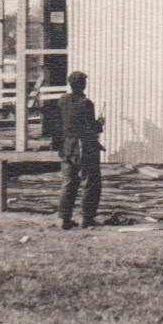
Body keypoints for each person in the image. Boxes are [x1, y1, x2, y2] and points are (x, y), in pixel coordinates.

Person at [56, 70, 103, 230]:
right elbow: (90, 128)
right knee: (91, 181)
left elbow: (58, 124)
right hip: (84, 146)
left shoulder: (62, 100)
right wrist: (100, 124)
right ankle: (87, 218)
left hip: (67, 146)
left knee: (68, 182)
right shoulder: (86, 103)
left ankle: (64, 219)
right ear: (83, 84)